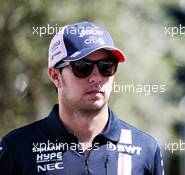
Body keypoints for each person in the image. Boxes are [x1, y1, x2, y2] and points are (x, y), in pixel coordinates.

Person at [0, 21, 164, 175]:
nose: (96, 77)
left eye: (106, 66)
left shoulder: (146, 149)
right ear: (55, 76)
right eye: (83, 67)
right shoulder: (16, 148)